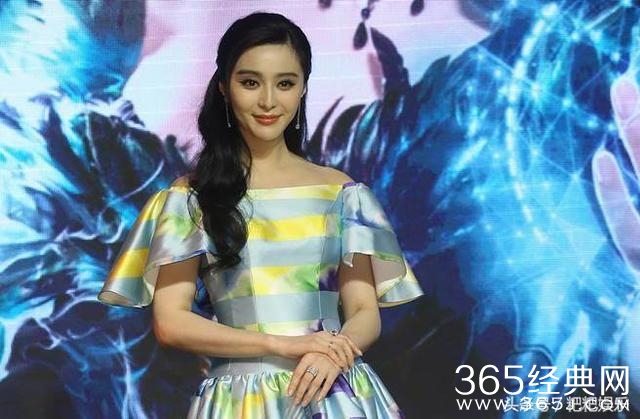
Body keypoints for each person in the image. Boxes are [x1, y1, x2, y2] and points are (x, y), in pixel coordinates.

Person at [99, 12, 423, 418]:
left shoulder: (342, 193)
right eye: (250, 82)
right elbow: (171, 322)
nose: (268, 101)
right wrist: (282, 344)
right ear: (224, 87)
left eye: (285, 83)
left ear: (303, 88)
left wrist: (335, 353)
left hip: (335, 389)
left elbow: (364, 312)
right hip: (241, 399)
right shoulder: (190, 198)